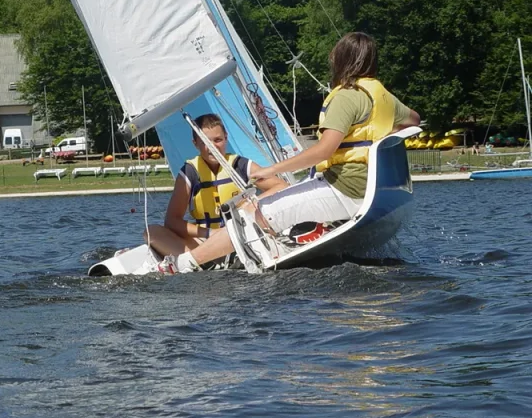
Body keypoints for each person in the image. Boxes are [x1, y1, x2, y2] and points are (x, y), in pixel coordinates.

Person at [171, 31, 420, 272]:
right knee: (266, 207)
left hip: (344, 189)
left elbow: (323, 151)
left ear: (343, 60)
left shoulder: (347, 97)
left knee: (254, 214)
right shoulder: (383, 96)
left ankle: (183, 264)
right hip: (371, 192)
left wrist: (273, 169)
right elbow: (414, 119)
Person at [144, 113, 286, 258]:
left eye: (218, 140)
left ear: (226, 138)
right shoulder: (190, 172)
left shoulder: (240, 165)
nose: (212, 147)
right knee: (151, 232)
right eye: (205, 141)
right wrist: (210, 233)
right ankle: (201, 258)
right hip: (207, 239)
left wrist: (249, 206)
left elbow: (281, 186)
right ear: (195, 143)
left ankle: (200, 258)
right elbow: (172, 221)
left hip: (243, 234)